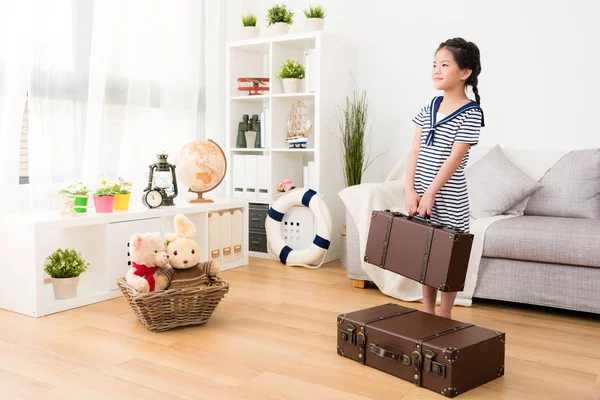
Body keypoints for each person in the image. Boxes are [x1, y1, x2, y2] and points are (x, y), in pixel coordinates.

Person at [404, 38, 485, 319]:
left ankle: (445, 314)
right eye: (434, 64)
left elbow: (454, 160)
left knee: (447, 258)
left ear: (465, 73)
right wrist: (410, 190)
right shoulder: (429, 107)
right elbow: (414, 150)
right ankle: (427, 312)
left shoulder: (471, 113)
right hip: (421, 197)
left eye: (445, 65)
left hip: (448, 199)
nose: (436, 70)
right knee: (426, 257)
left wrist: (430, 193)